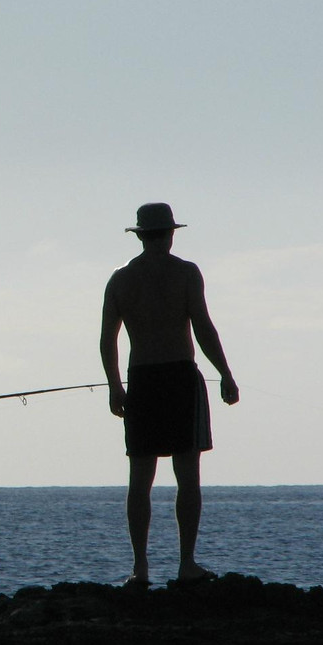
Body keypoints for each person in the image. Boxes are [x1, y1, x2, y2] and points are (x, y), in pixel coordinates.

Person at [100, 204, 239, 587]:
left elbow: (107, 341)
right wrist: (225, 373)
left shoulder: (121, 279)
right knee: (187, 478)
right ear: (170, 233)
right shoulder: (185, 273)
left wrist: (115, 385)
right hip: (179, 376)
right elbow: (203, 328)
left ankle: (140, 567)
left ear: (141, 235)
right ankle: (186, 564)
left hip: (141, 379)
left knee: (140, 479)